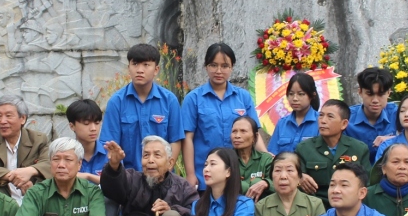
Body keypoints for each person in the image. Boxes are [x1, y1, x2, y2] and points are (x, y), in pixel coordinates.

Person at [182, 42, 263, 190]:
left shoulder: (243, 97)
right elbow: (188, 138)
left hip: (240, 174)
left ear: (232, 67)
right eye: (213, 65)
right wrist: (190, 173)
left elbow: (254, 134)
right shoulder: (193, 98)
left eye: (225, 66)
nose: (219, 71)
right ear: (206, 66)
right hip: (205, 175)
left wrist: (267, 160)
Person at [98, 43, 184, 171]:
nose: (139, 70)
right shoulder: (116, 102)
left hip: (161, 176)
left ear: (156, 70)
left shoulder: (169, 100)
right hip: (128, 177)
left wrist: (167, 168)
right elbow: (109, 144)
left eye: (146, 65)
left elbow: (175, 139)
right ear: (129, 68)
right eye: (135, 64)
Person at [0, 95, 51, 204]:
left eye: (8, 116)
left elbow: (49, 163)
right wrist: (12, 176)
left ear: (23, 118)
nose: (2, 121)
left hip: (33, 200)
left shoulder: (38, 140)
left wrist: (30, 171)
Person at [295, 99, 370, 206]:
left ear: (344, 124)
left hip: (349, 206)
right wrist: (299, 178)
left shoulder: (359, 148)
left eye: (330, 116)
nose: (323, 120)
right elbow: (296, 182)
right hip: (317, 207)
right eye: (321, 115)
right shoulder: (304, 148)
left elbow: (367, 184)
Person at [266, 72, 320, 154]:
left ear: (312, 95)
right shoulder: (282, 123)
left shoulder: (321, 121)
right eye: (291, 94)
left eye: (301, 94)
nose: (295, 98)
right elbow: (272, 154)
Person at [346, 68, 398, 152]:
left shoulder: (398, 113)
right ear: (360, 92)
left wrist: (393, 139)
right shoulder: (346, 117)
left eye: (381, 94)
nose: (375, 100)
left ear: (389, 93)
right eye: (370, 94)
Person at [232, 115, 274, 201]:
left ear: (255, 136)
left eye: (243, 131)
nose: (237, 136)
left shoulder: (266, 159)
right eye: (234, 131)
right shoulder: (225, 159)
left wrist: (266, 183)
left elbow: (279, 183)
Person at [66, 98, 107, 184]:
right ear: (72, 126)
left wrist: (88, 176)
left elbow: (119, 185)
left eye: (97, 123)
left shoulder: (109, 152)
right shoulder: (65, 154)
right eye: (86, 123)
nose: (93, 129)